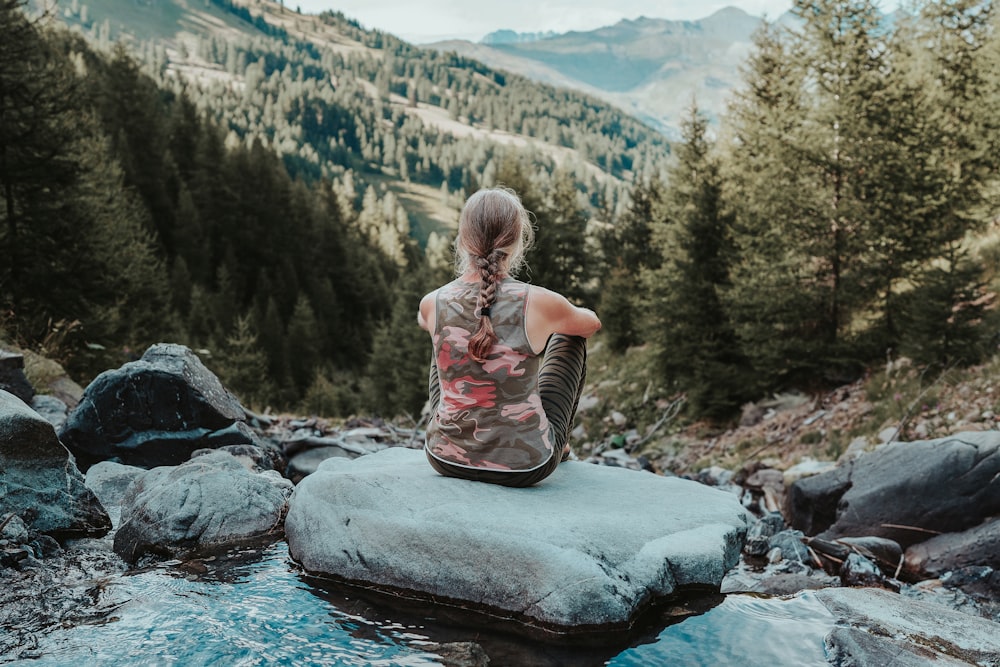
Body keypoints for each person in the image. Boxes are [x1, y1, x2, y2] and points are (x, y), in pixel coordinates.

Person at [417, 186, 601, 487]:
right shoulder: (540, 301)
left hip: (443, 459)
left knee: (445, 335)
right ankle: (561, 443)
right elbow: (591, 324)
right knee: (571, 337)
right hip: (526, 468)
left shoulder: (432, 301)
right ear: (517, 241)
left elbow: (424, 321)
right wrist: (558, 314)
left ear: (463, 240)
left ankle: (454, 436)